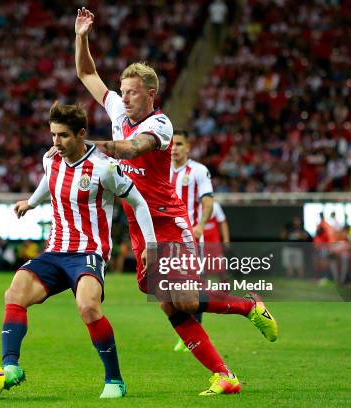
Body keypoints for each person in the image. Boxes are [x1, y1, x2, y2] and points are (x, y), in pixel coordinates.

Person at [74, 7, 278, 396]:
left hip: (169, 222)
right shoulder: (117, 109)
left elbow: (134, 150)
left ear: (151, 94)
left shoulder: (161, 124)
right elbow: (86, 74)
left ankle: (249, 305)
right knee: (170, 307)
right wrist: (82, 36)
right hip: (138, 225)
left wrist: (89, 147)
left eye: (133, 92)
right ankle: (225, 376)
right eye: (124, 90)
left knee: (182, 299)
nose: (125, 97)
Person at [1, 103, 157, 399]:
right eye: (53, 135)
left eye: (63, 136)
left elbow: (138, 201)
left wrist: (150, 243)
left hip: (89, 252)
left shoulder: (104, 168)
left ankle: (114, 380)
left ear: (82, 134)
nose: (56, 143)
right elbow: (50, 179)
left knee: (87, 307)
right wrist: (32, 202)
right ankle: (11, 367)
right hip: (56, 250)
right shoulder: (51, 159)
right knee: (15, 292)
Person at [170, 130, 213, 351]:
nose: (174, 148)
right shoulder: (163, 170)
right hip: (167, 238)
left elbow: (207, 202)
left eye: (179, 144)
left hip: (191, 238)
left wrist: (200, 225)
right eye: (172, 144)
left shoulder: (198, 171)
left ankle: (194, 334)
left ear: (188, 147)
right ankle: (187, 333)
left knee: (192, 286)